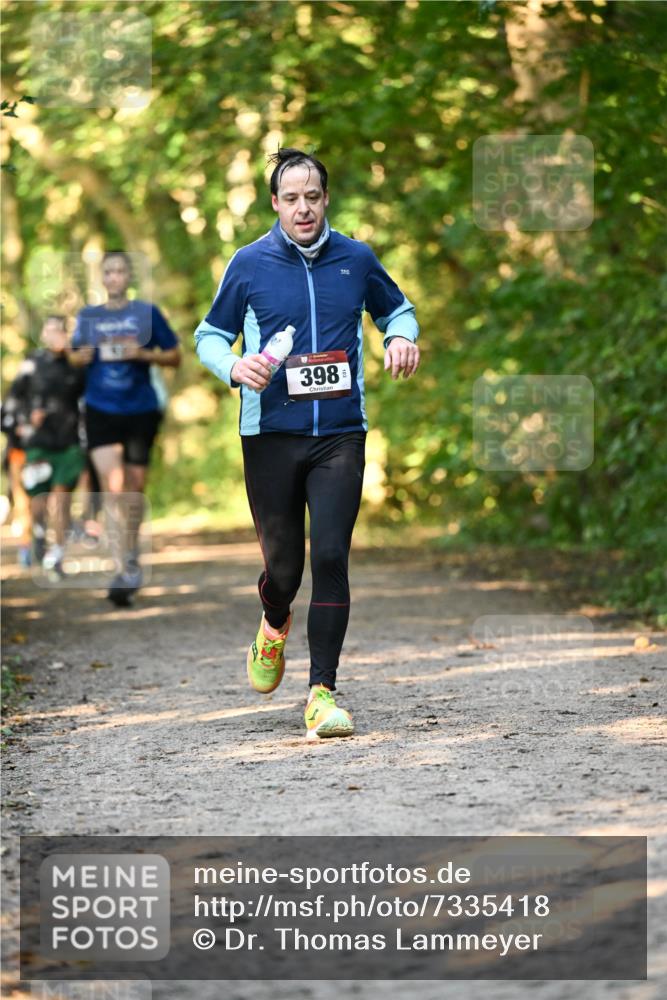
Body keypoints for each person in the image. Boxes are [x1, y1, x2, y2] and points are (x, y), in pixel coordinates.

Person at [195, 147, 420, 740]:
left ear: (325, 199)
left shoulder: (356, 258)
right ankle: (273, 622)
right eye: (291, 198)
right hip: (270, 434)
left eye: (312, 197)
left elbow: (399, 311)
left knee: (330, 557)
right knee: (286, 570)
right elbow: (210, 335)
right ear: (275, 203)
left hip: (340, 434)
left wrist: (401, 337)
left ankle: (323, 691)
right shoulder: (248, 263)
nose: (303, 208)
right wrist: (233, 367)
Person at [69, 251, 181, 605]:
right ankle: (121, 568)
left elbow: (175, 355)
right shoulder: (89, 317)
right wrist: (79, 357)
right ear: (102, 278)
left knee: (134, 488)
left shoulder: (146, 314)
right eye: (108, 272)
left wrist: (144, 355)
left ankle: (130, 553)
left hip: (141, 410)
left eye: (120, 271)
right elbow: (72, 355)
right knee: (114, 488)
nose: (114, 277)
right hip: (101, 408)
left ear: (128, 276)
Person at [1, 315, 86, 577]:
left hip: (69, 443)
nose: (55, 336)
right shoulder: (32, 364)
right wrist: (25, 421)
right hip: (38, 445)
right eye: (49, 331)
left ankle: (56, 556)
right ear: (43, 334)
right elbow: (12, 401)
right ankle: (38, 534)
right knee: (38, 502)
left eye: (59, 331)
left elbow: (91, 400)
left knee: (61, 501)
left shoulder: (78, 365)